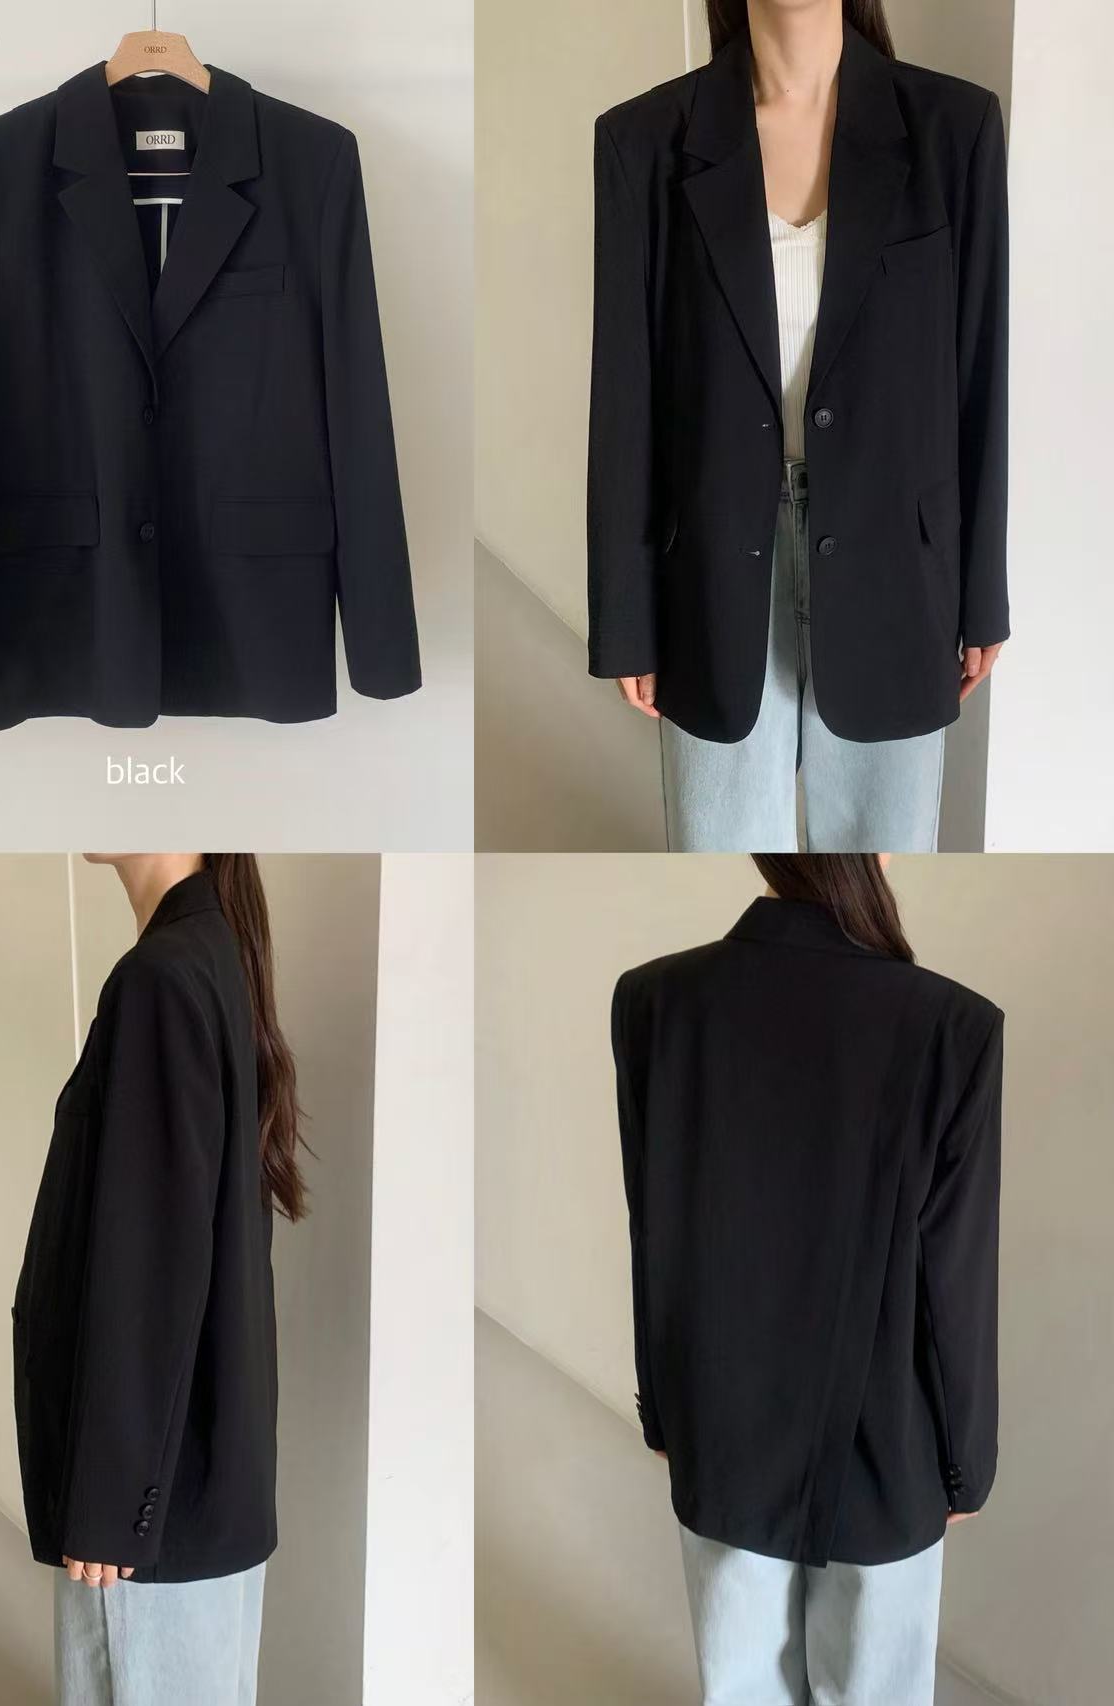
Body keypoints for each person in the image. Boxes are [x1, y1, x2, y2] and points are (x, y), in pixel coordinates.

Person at [589, 0, 1009, 851]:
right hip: (712, 571)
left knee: (881, 860)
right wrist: (624, 614)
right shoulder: (643, 140)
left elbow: (978, 375)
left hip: (899, 569)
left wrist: (982, 594)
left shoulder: (954, 129)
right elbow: (626, 395)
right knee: (719, 854)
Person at [612, 854, 1003, 1703]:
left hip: (721, 1415)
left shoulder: (654, 1001)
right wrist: (965, 1464)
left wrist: (664, 1407)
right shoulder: (952, 1025)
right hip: (889, 1434)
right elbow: (956, 1278)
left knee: (740, 1684)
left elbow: (654, 1228)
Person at [12, 853, 304, 1705]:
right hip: (197, 1489)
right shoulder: (213, 953)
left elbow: (153, 1258)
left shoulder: (162, 977)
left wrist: (108, 1506)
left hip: (151, 1514)